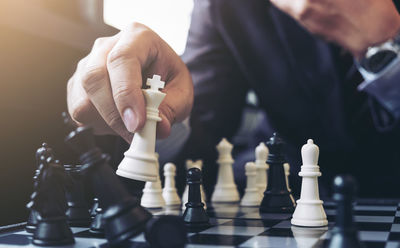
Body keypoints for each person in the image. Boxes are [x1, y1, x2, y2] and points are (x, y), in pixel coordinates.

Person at [67, 0, 400, 197]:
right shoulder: (223, 6)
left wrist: (388, 41)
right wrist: (148, 113)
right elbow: (200, 132)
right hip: (287, 192)